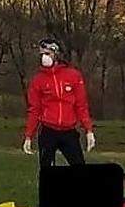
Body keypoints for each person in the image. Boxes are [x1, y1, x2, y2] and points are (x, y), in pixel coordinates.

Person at [22, 38, 95, 166]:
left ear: (56, 54)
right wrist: (29, 136)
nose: (44, 57)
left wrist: (89, 130)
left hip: (69, 132)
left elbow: (81, 105)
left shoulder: (73, 76)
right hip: (48, 131)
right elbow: (34, 109)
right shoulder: (38, 80)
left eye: (47, 54)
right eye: (41, 54)